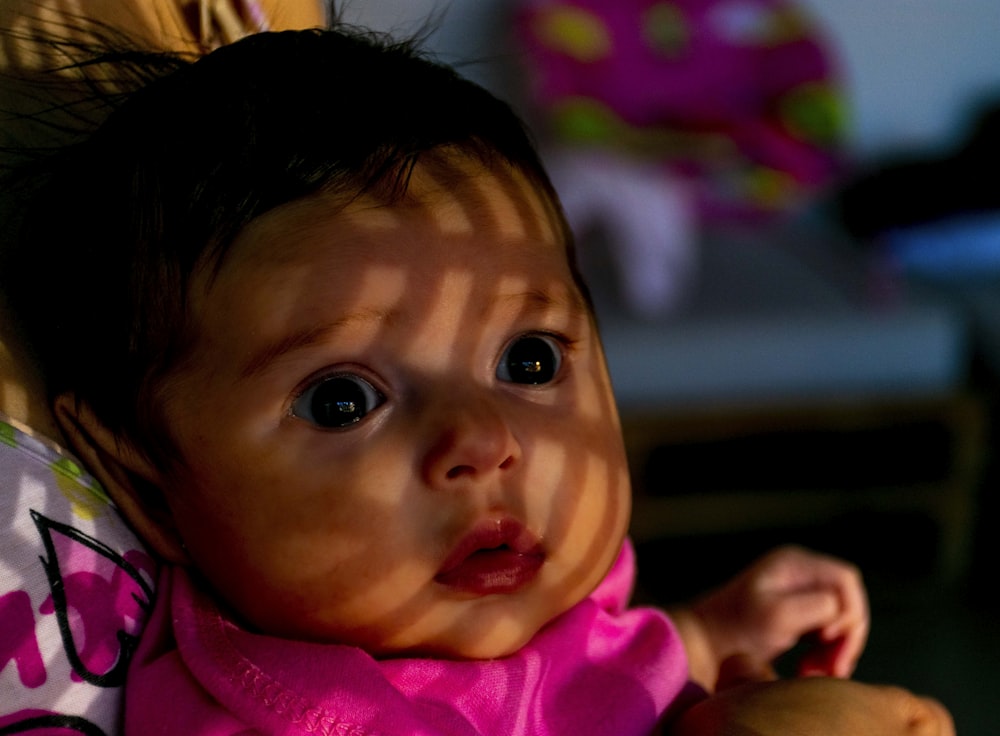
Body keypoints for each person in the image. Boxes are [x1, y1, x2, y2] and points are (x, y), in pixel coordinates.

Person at [0, 20, 953, 736]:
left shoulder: (518, 591)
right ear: (146, 482)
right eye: (343, 399)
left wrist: (707, 637)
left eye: (528, 361)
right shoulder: (290, 715)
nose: (483, 441)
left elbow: (593, 673)